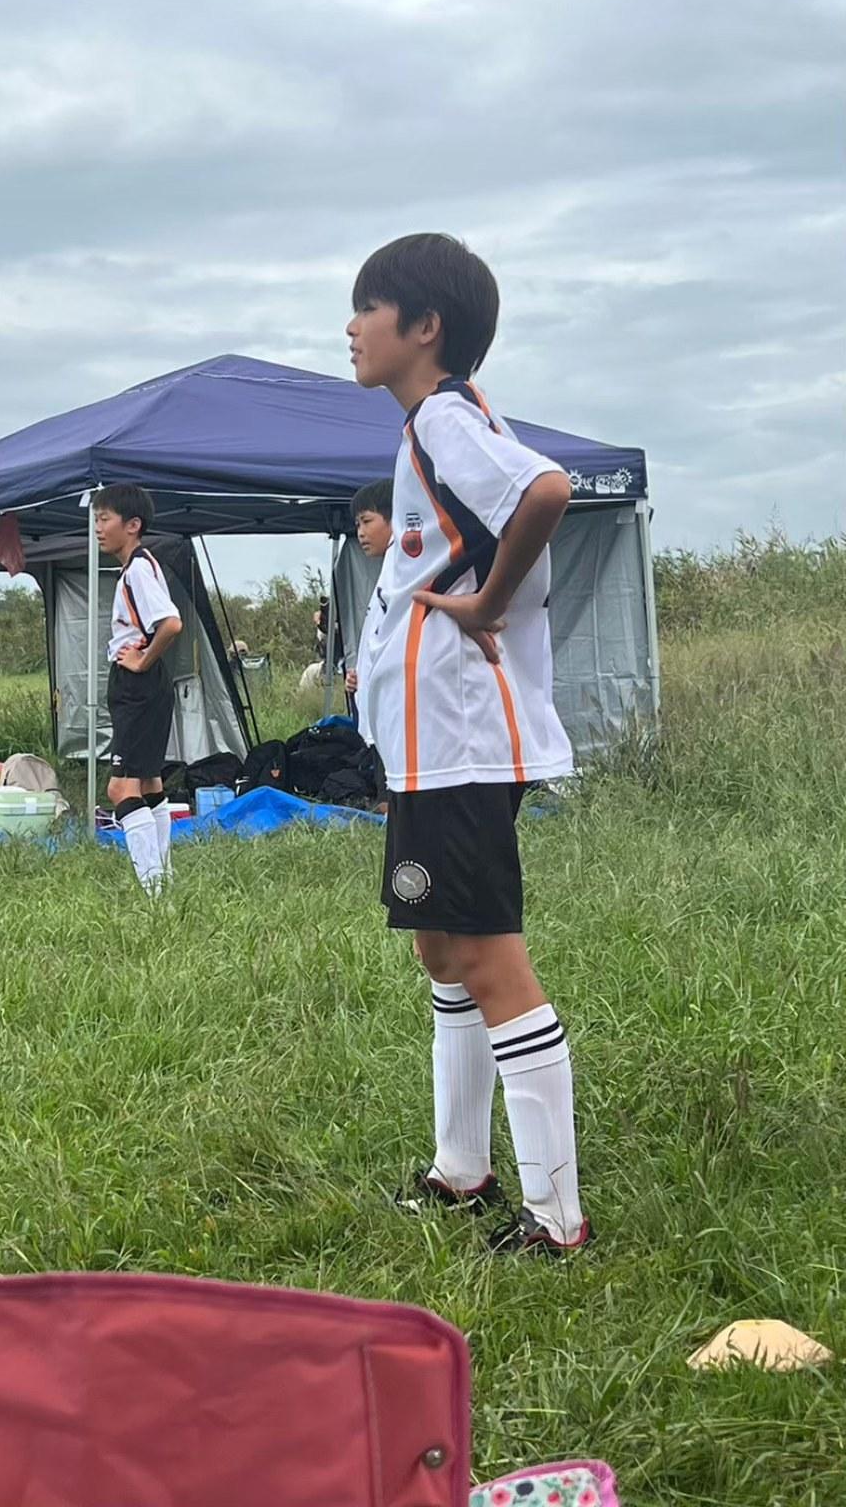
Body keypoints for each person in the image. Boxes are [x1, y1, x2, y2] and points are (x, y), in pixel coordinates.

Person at [346, 232, 589, 1253]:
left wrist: (487, 603)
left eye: (366, 308)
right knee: (441, 946)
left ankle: (556, 1215)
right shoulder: (431, 427)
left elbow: (546, 490)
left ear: (424, 326)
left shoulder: (446, 417)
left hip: (460, 739)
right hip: (429, 741)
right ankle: (461, 1170)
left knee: (486, 955)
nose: (350, 327)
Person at [93, 485, 183, 894]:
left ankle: (153, 890)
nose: (98, 528)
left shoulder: (137, 571)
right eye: (96, 520)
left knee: (120, 787)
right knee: (148, 782)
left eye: (105, 519)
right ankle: (162, 879)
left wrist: (143, 661)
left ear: (133, 525)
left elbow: (171, 623)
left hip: (137, 683)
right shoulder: (143, 565)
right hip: (146, 683)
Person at [344, 478, 394, 739]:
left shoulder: (402, 573)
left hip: (389, 725)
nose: (361, 532)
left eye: (366, 521)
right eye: (357, 525)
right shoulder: (388, 571)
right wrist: (360, 676)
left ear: (394, 518)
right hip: (375, 726)